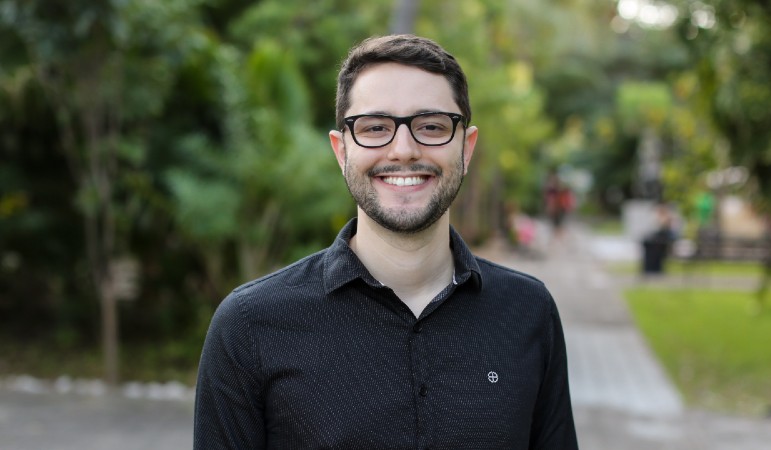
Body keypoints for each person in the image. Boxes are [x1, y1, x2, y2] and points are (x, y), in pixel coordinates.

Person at [194, 34, 578, 449]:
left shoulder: (528, 311)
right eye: (375, 127)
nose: (403, 149)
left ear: (466, 148)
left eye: (431, 126)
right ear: (341, 151)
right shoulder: (249, 326)